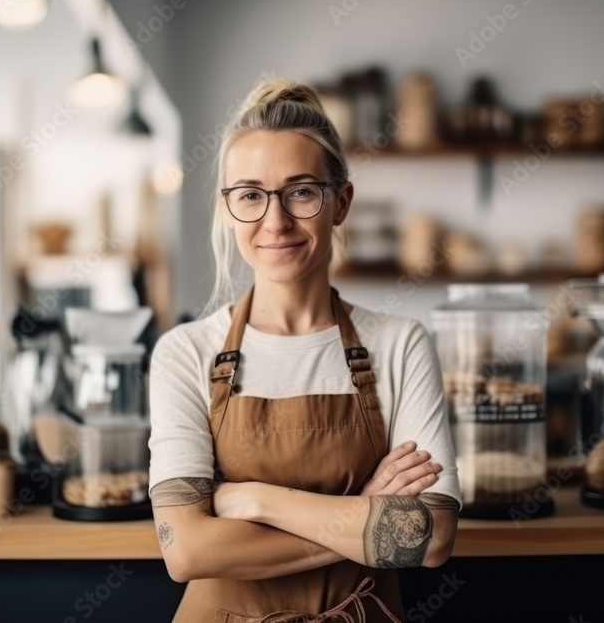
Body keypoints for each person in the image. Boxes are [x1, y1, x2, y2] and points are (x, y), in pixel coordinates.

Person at [147, 76, 462, 622]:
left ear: (340, 203)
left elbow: (429, 539)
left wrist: (255, 500)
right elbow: (187, 551)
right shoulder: (183, 353)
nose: (275, 220)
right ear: (227, 209)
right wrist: (365, 513)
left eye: (301, 191)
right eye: (250, 194)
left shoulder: (401, 344)